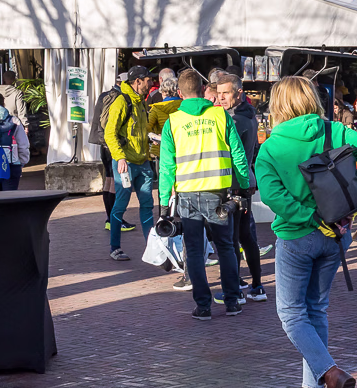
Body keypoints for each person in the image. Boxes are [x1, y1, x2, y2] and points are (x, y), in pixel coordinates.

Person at [253, 75, 357, 388]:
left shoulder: (271, 147)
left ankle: (330, 374)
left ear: (278, 105)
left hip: (297, 235)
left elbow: (273, 197)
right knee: (316, 309)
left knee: (291, 313)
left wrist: (309, 216)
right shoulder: (333, 131)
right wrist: (352, 197)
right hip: (335, 235)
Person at [159, 69, 250, 320]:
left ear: (180, 93)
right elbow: (238, 155)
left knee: (195, 251)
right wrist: (243, 185)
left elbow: (166, 167)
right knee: (226, 247)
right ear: (202, 90)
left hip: (188, 196)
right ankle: (232, 301)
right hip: (218, 194)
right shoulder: (220, 115)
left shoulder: (172, 122)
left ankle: (203, 306)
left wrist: (164, 204)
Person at [212, 75, 269, 302]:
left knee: (232, 238)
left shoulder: (235, 120)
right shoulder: (248, 114)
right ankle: (256, 286)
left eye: (225, 93)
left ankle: (236, 289)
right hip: (245, 182)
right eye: (219, 93)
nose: (221, 97)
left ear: (238, 93)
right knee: (245, 236)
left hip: (235, 184)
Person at [105, 65, 156, 261]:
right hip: (125, 164)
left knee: (147, 204)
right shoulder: (121, 101)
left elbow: (140, 131)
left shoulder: (141, 101)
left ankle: (152, 248)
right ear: (138, 81)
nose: (151, 83)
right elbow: (110, 133)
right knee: (121, 204)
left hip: (143, 162)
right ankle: (115, 247)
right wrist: (120, 157)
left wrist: (150, 141)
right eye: (148, 80)